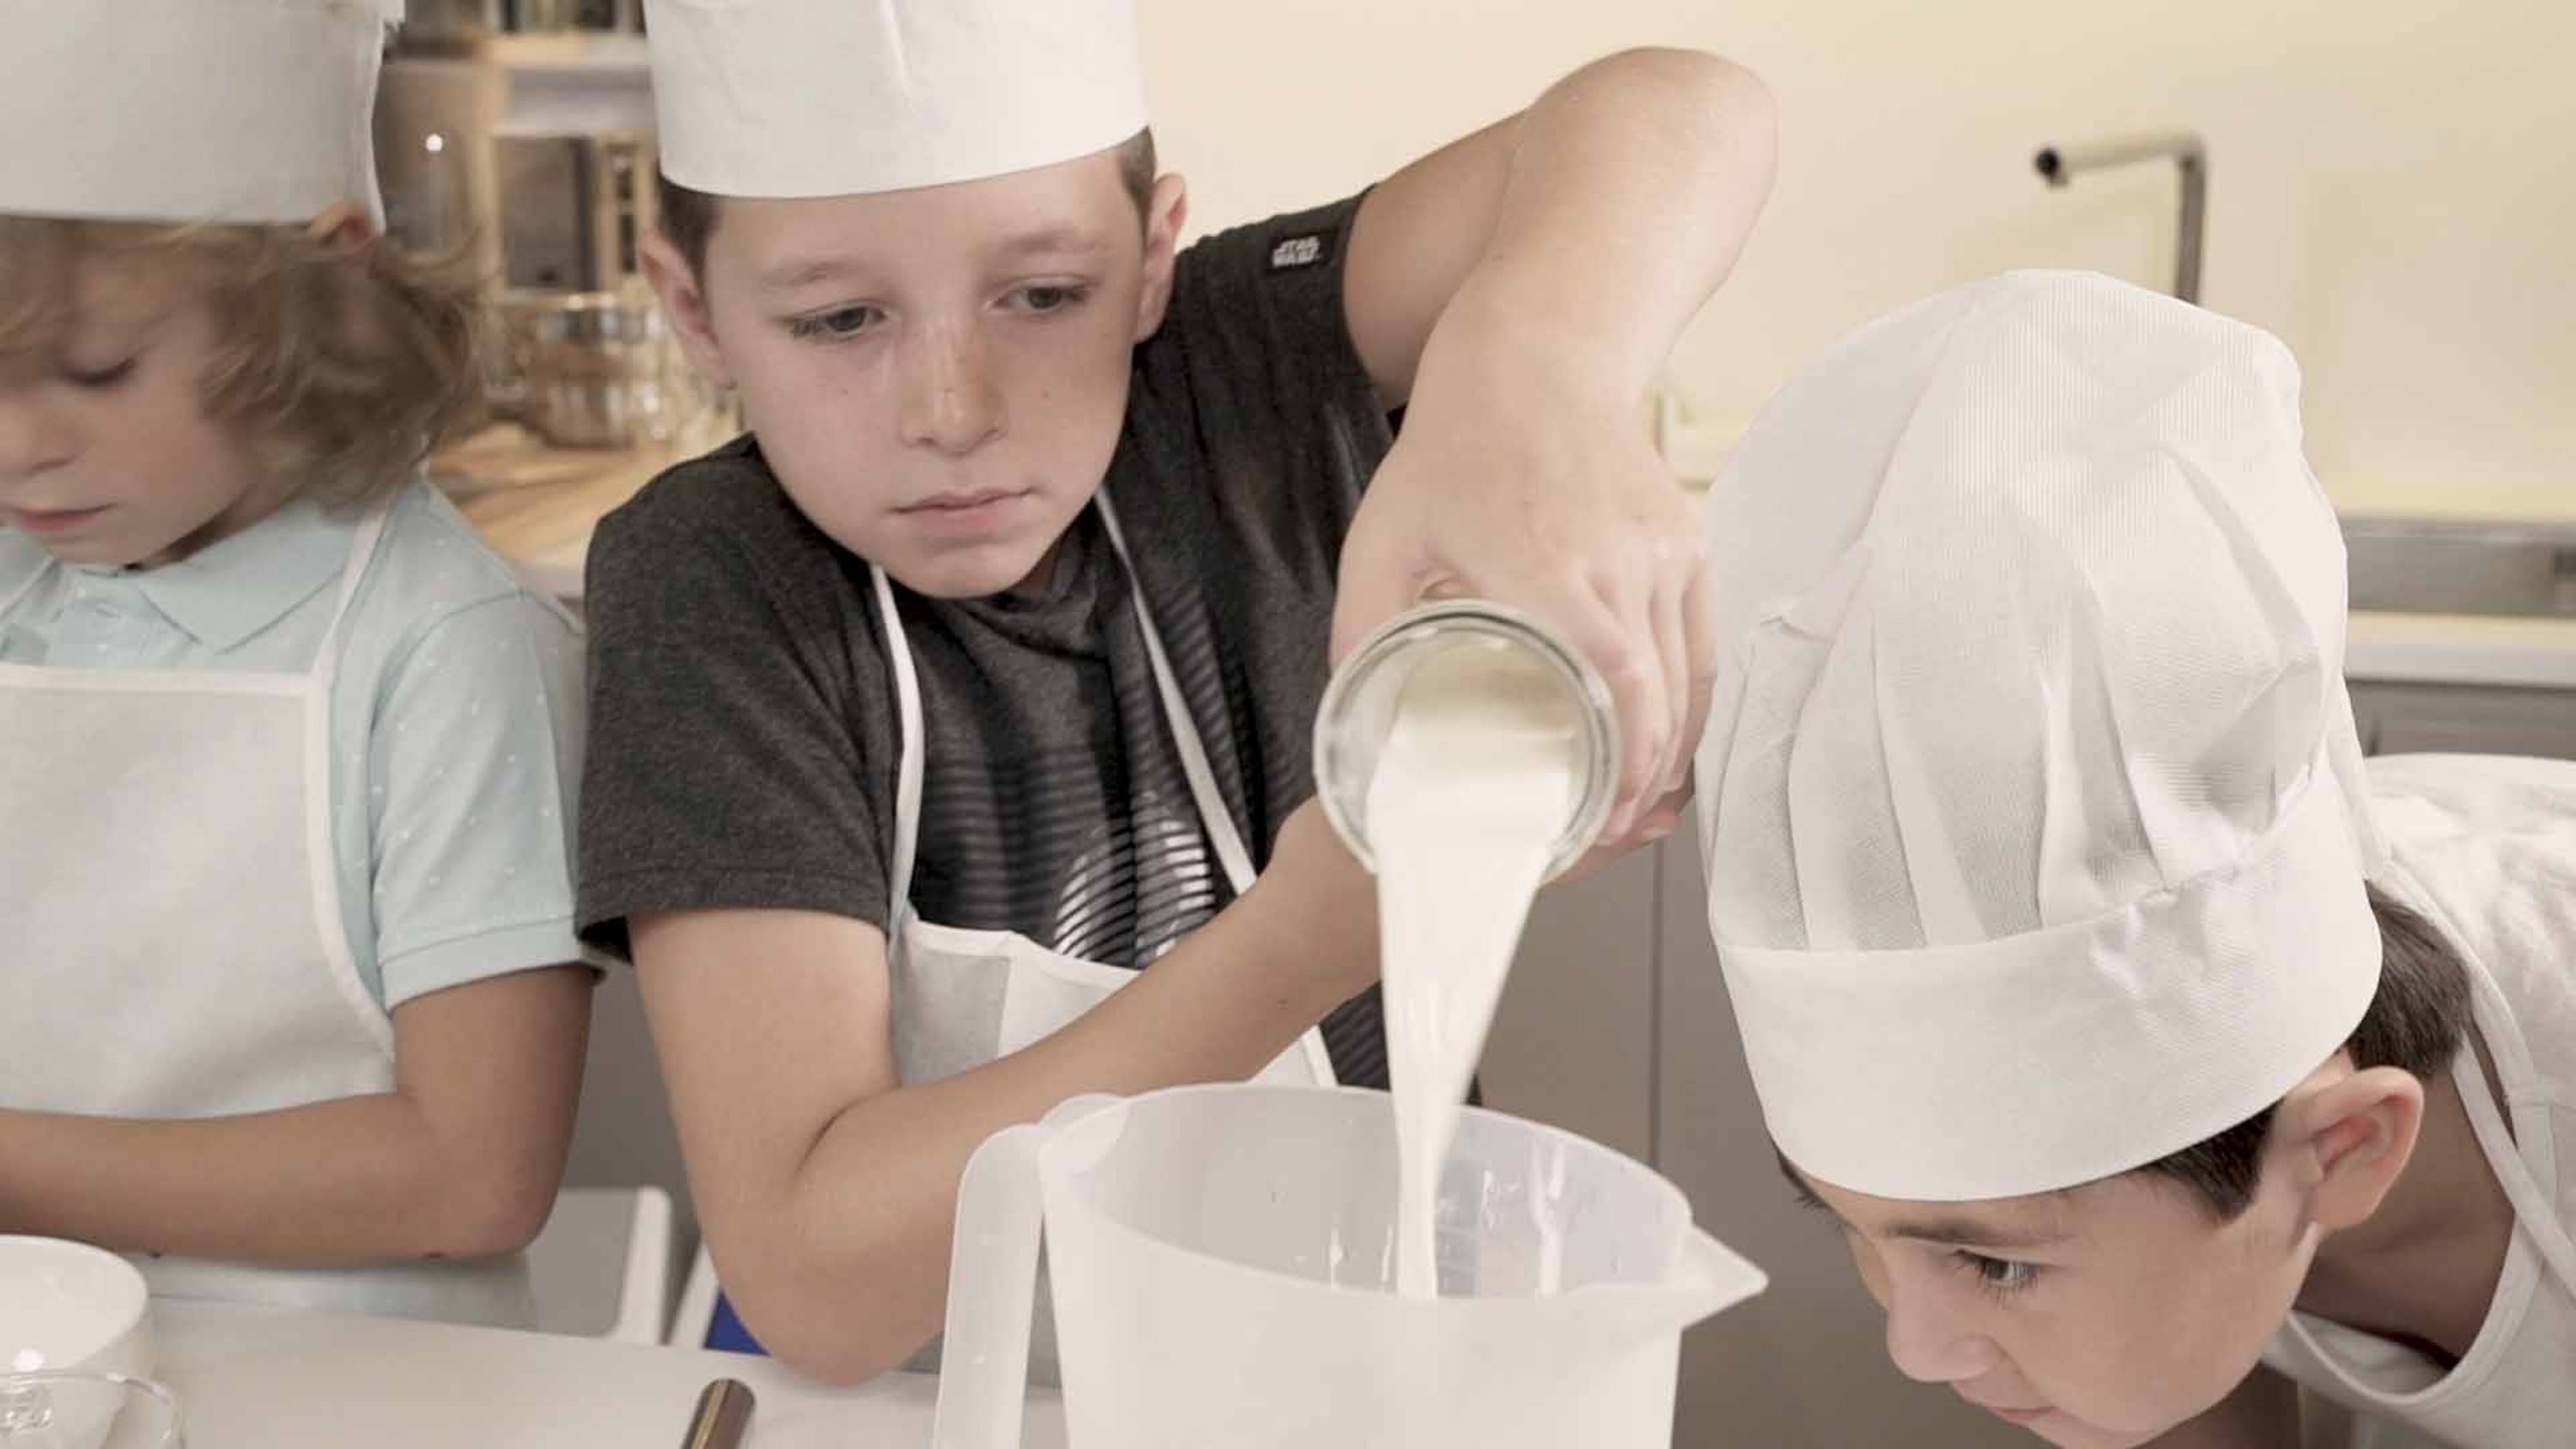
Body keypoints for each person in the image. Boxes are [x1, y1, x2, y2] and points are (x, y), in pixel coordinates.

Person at [577, 0, 1777, 1380]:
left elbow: (1685, 104)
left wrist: (1530, 380)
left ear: (1151, 259)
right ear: (694, 310)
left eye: (1044, 296)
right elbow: (820, 1285)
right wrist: (1307, 939)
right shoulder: (715, 583)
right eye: (840, 319)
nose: (952, 410)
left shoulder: (1231, 380)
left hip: (1332, 1365)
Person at [1692, 269, 2575, 1448]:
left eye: (1992, 1266)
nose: (1916, 1350)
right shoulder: (2221, 1183)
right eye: (1859, 1231)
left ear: (2346, 1149)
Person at [0, 0, 592, 1326]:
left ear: (321, 290)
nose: (17, 445)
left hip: (352, 1382)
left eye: (95, 370)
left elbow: (472, 1175)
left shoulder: (446, 648)